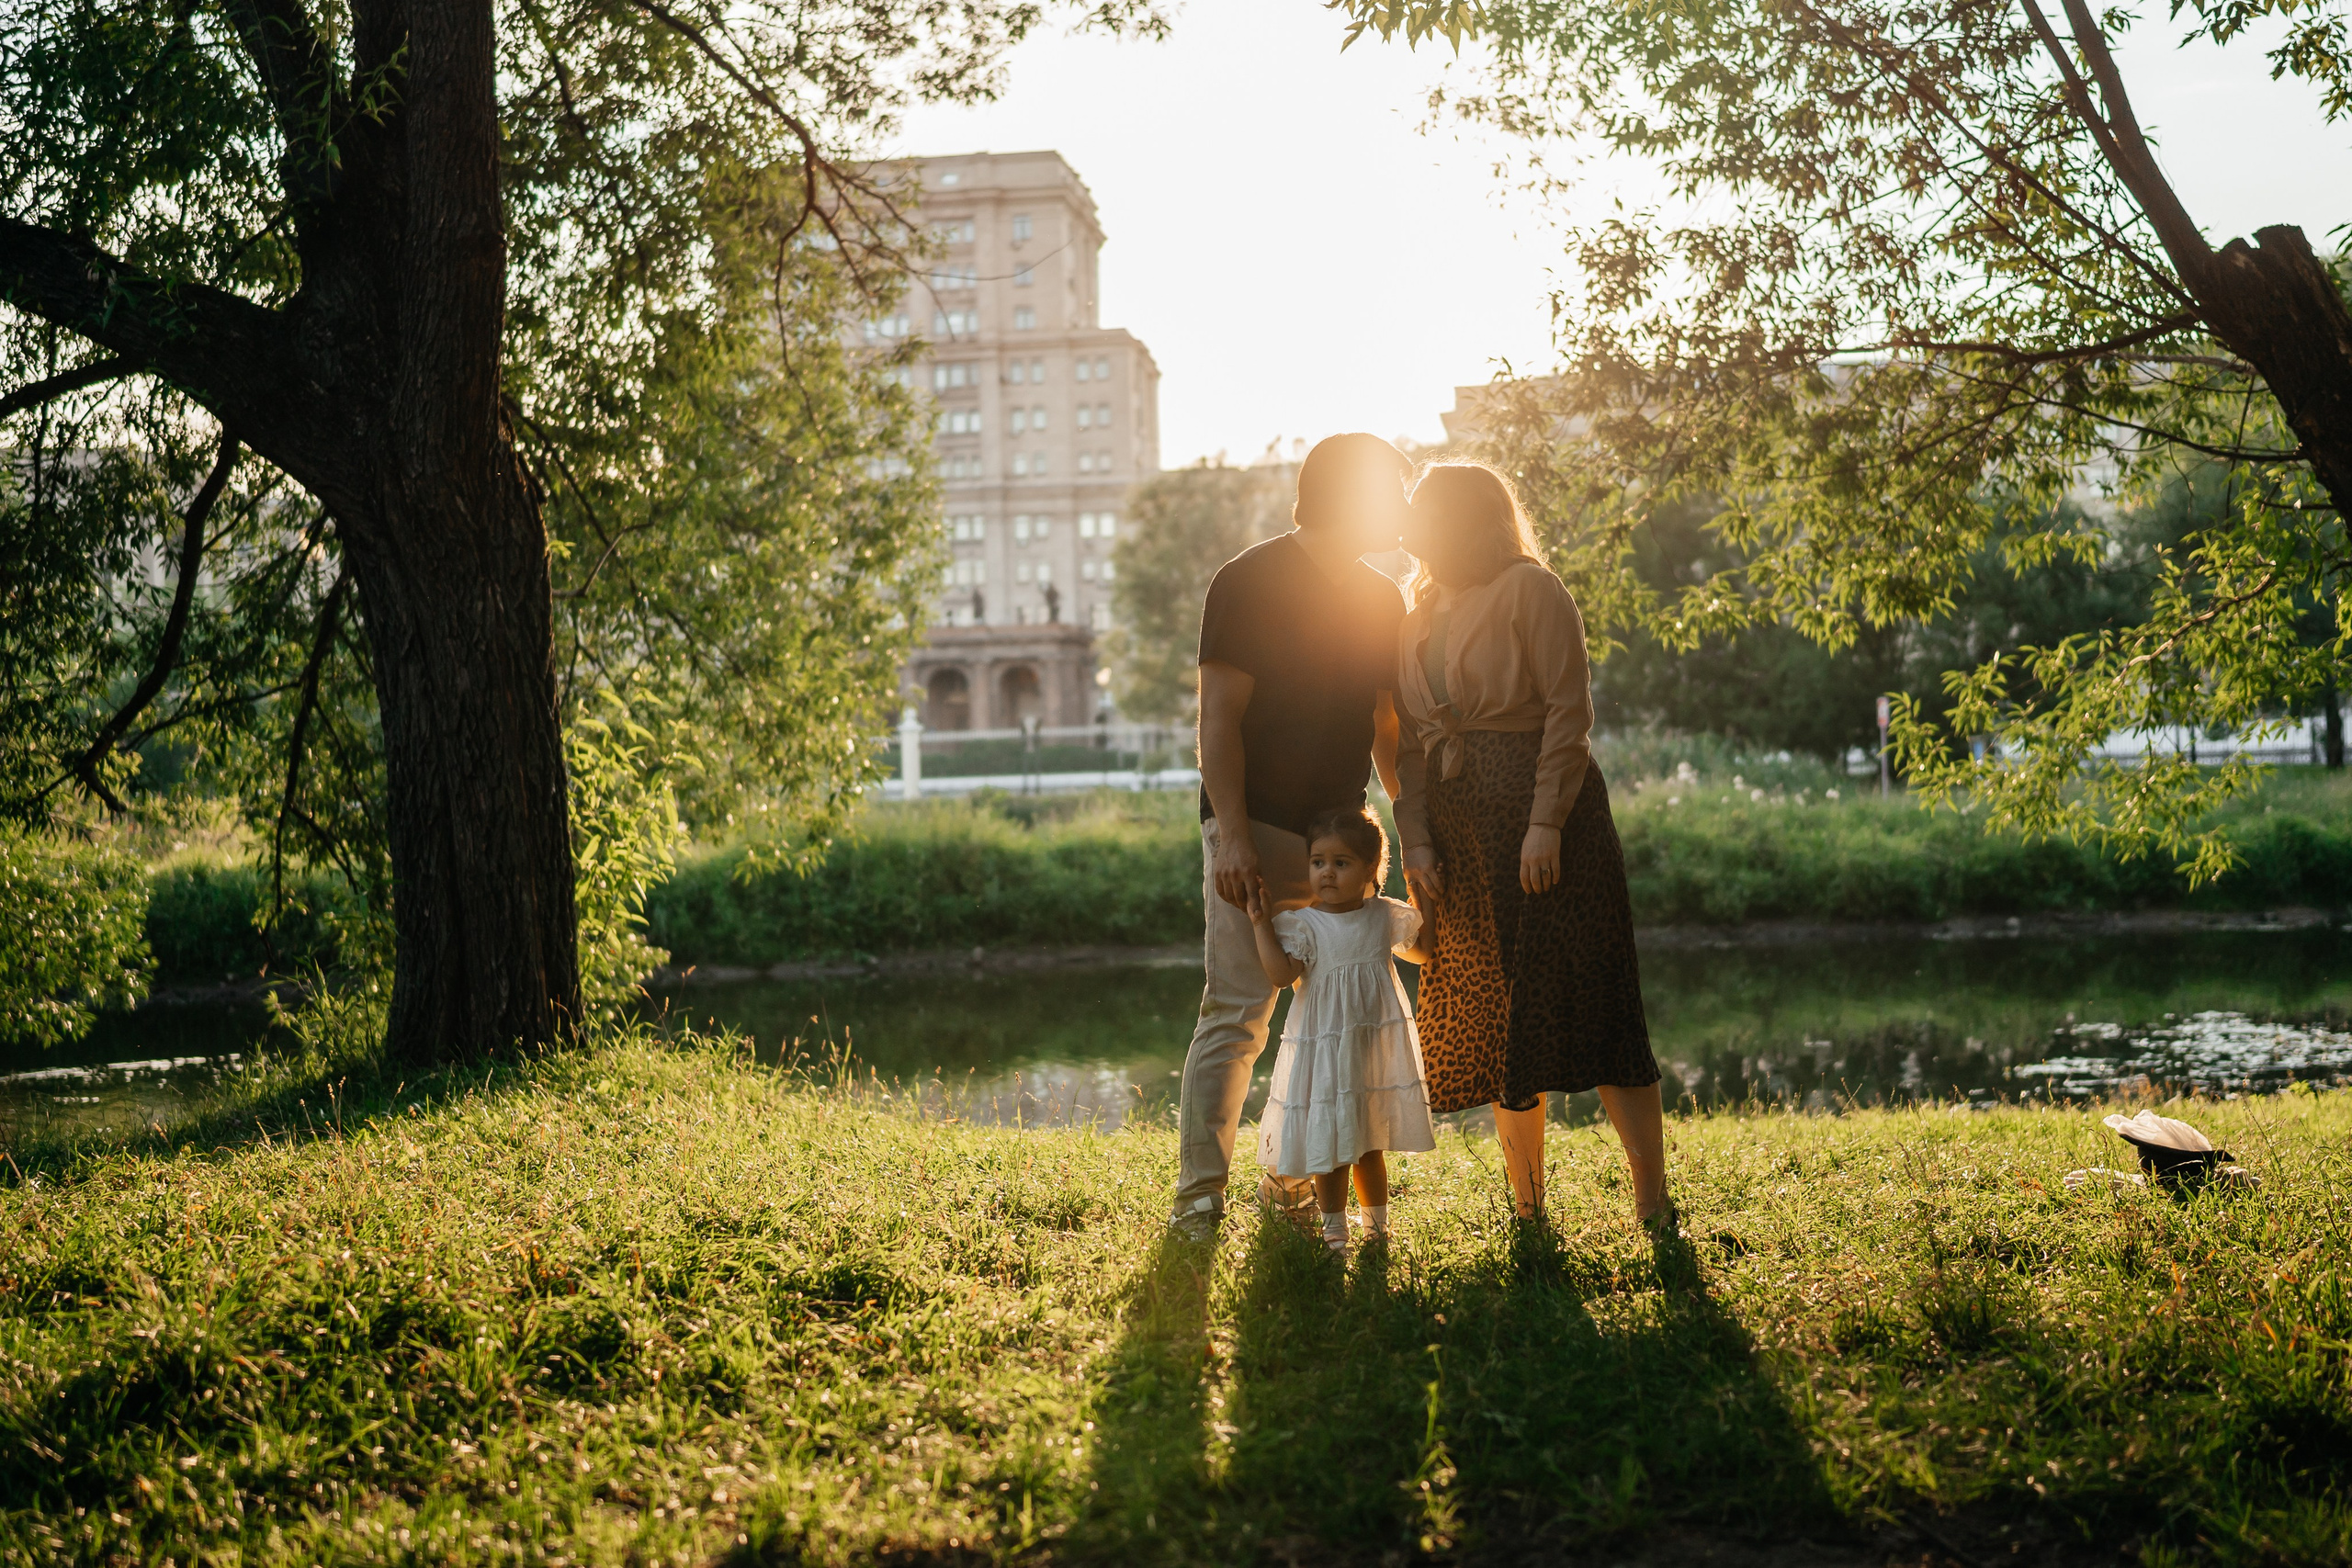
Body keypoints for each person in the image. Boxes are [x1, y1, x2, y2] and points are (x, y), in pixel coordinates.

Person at [1391, 461, 1672, 1228]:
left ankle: (1651, 1197)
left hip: (1551, 820)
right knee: (1499, 1020)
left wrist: (1545, 819)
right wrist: (1415, 841)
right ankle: (1528, 1208)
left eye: (1420, 505)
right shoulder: (1416, 609)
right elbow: (1410, 745)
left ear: (1458, 515)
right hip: (1459, 833)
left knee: (1599, 1004)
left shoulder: (1531, 588)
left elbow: (1567, 709)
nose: (1405, 515)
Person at [1170, 433, 1412, 1238]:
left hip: (1341, 840)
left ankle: (1293, 1176)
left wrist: (1412, 832)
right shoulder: (1246, 581)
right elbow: (1218, 721)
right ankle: (1200, 1198)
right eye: (1393, 491)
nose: (1404, 509)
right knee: (1240, 1014)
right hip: (1260, 832)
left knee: (1332, 1023)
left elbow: (1386, 727)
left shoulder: (1383, 597)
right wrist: (1232, 839)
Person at [1244, 805, 1436, 1253]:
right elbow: (1279, 974)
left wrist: (1423, 894)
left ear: (1371, 869)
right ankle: (1334, 1229)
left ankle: (1376, 1226)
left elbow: (1422, 951)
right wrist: (1259, 922)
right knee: (1327, 1142)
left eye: (1341, 863)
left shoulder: (1384, 915)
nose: (1326, 873)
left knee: (1371, 1142)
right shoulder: (1305, 925)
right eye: (1318, 863)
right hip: (1325, 1050)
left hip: (1371, 1048)